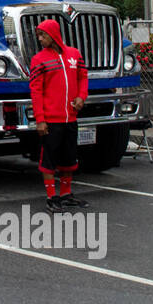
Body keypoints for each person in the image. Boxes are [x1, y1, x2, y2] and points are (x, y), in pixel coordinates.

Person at [29, 18, 89, 213]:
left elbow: (82, 77)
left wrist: (82, 97)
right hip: (51, 120)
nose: (40, 39)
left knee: (69, 159)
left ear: (53, 35)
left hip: (70, 118)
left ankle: (66, 194)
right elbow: (36, 91)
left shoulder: (74, 55)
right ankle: (51, 197)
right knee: (48, 161)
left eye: (43, 35)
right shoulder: (39, 60)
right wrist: (40, 120)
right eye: (39, 35)